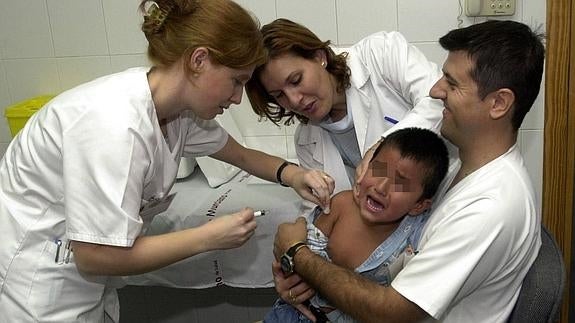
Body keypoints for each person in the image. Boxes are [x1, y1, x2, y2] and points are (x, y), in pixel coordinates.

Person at [0, 1, 334, 322]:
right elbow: (94, 255)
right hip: (37, 285)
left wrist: (293, 175)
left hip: (82, 284)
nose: (236, 98)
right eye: (236, 81)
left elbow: (242, 156)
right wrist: (209, 238)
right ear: (199, 60)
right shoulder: (114, 125)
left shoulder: (178, 114)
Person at [272, 20, 544, 323]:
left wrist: (297, 253)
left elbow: (391, 311)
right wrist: (303, 268)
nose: (435, 90)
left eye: (451, 84)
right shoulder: (457, 172)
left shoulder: (491, 206)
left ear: (499, 103)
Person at [246, 18, 448, 212]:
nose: (294, 100)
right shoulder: (307, 141)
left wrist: (382, 146)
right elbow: (323, 210)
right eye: (279, 95)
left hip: (446, 197)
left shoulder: (380, 54)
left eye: (296, 80)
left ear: (320, 57)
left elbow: (440, 100)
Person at [264, 127, 449, 323]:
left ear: (419, 205)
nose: (381, 187)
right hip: (294, 315)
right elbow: (296, 253)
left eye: (399, 184)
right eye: (378, 170)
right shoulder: (340, 206)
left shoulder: (414, 239)